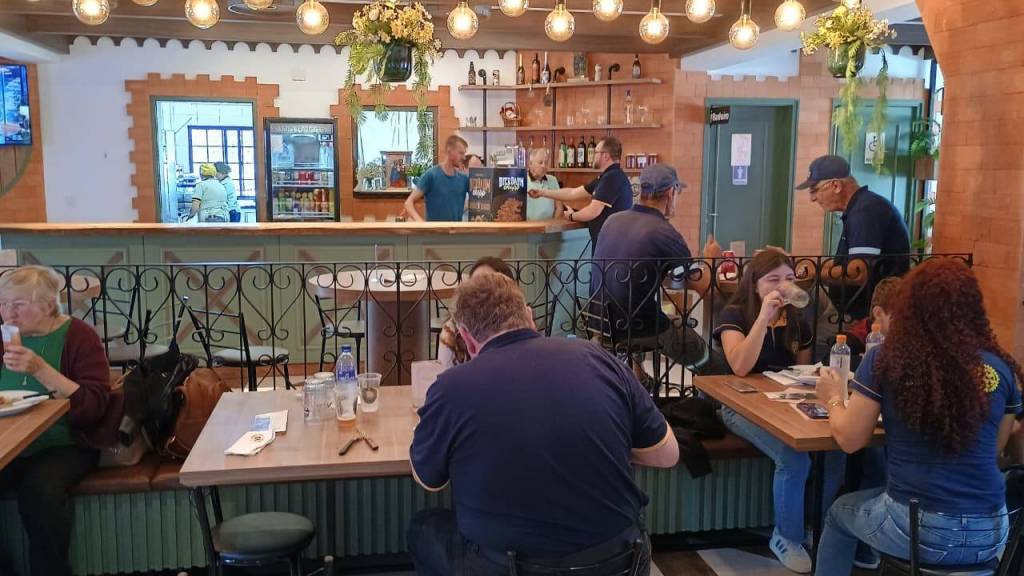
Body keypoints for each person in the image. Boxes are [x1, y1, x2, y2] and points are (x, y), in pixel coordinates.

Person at [409, 273, 678, 576]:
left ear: (467, 339)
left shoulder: (452, 388)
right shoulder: (599, 359)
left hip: (508, 567)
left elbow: (428, 478)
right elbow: (667, 454)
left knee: (423, 528)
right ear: (530, 317)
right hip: (620, 562)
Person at [814, 258, 1021, 575]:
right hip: (991, 530)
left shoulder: (886, 358)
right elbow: (995, 449)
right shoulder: (999, 367)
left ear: (910, 305)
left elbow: (850, 439)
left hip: (919, 526)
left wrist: (832, 398)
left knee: (840, 513)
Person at [713, 250, 845, 573]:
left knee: (836, 451)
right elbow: (740, 366)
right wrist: (763, 319)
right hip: (739, 406)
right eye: (773, 280)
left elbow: (802, 371)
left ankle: (818, 526)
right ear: (754, 284)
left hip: (783, 403)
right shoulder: (735, 315)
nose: (782, 286)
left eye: (788, 279)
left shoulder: (798, 320)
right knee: (793, 457)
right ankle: (787, 536)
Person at [0, 266, 112, 576]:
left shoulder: (79, 336)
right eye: (3, 303)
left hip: (65, 442)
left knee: (40, 494)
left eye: (18, 304)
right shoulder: (3, 336)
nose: (8, 313)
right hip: (8, 442)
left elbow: (94, 407)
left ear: (49, 305)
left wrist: (39, 369)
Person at [590, 164, 720, 376]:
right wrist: (711, 260)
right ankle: (714, 387)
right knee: (710, 361)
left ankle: (638, 385)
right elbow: (705, 288)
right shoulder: (663, 232)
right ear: (670, 193)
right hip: (637, 327)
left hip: (599, 322)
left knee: (656, 314)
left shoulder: (613, 220)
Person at [798, 155, 910, 321]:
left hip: (864, 318)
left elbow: (858, 273)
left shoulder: (865, 211)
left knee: (802, 326)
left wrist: (815, 272)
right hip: (851, 310)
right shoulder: (860, 206)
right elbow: (848, 263)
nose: (812, 198)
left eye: (814, 190)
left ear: (836, 185)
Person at [529, 137, 632, 246]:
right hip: (607, 242)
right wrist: (542, 193)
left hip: (612, 244)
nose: (592, 156)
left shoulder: (612, 177)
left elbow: (593, 211)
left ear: (605, 156)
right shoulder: (605, 177)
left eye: (596, 152)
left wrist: (572, 216)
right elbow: (572, 193)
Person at [438, 256, 515, 369]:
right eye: (475, 284)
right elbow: (446, 374)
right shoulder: (452, 330)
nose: (480, 292)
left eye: (488, 284)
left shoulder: (519, 325)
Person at [404, 135, 470, 222]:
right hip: (434, 230)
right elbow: (408, 203)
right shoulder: (431, 175)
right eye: (461, 153)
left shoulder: (464, 179)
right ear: (449, 151)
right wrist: (421, 223)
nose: (464, 157)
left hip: (456, 230)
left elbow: (480, 197)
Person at [525, 149, 563, 221]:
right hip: (528, 226)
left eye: (546, 162)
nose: (544, 166)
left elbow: (559, 208)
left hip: (549, 226)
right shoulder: (523, 180)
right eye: (540, 162)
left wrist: (552, 225)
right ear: (530, 163)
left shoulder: (553, 180)